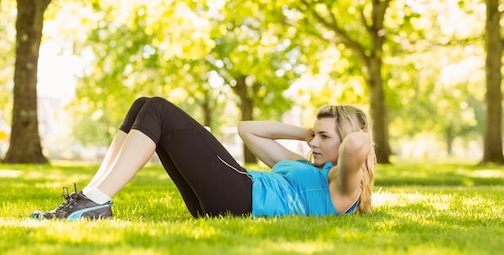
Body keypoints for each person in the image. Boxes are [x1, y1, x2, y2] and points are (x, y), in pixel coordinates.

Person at [31, 96, 376, 220]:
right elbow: (247, 130)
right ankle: (87, 201)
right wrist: (306, 132)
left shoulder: (341, 185)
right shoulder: (302, 165)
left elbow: (357, 145)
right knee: (143, 105)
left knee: (160, 111)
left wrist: (348, 128)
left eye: (324, 137)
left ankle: (96, 202)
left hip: (242, 196)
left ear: (344, 141)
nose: (314, 142)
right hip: (228, 198)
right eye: (313, 135)